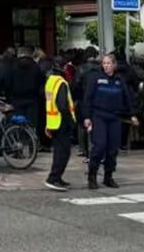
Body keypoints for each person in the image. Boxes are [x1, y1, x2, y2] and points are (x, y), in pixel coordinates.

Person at [80, 54, 136, 190]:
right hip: (98, 116)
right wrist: (87, 117)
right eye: (104, 63)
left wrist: (132, 114)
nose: (106, 66)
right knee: (99, 146)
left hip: (115, 117)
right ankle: (92, 175)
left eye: (109, 63)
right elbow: (88, 98)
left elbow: (127, 97)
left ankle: (108, 176)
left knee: (112, 149)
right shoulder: (96, 78)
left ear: (114, 65)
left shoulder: (119, 79)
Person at [43, 57, 76, 191]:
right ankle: (53, 177)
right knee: (63, 152)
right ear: (64, 67)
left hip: (52, 121)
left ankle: (57, 177)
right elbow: (62, 104)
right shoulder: (62, 82)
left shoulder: (50, 81)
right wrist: (69, 119)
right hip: (62, 121)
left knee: (59, 151)